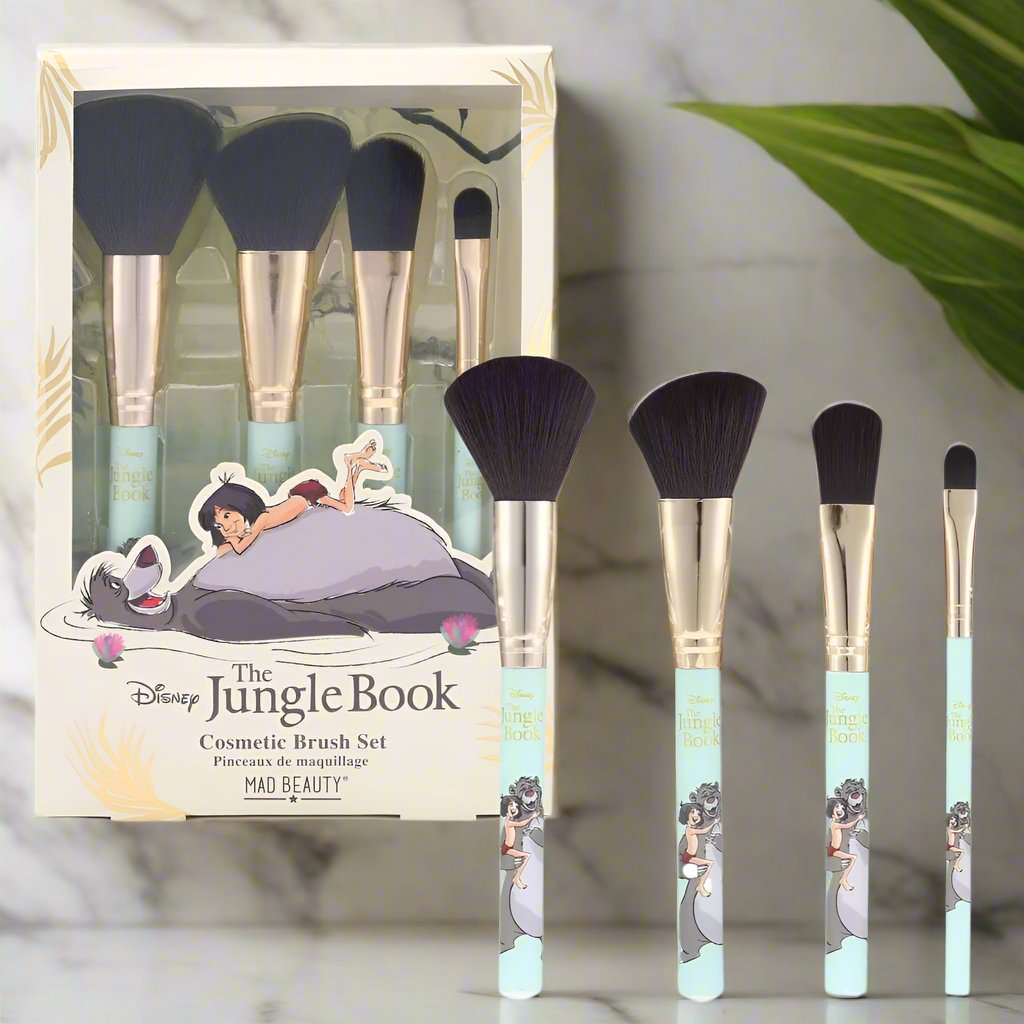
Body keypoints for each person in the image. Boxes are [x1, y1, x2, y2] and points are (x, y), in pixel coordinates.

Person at [199, 441, 386, 556]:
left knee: (346, 507)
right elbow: (223, 550)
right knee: (342, 497)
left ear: (240, 504)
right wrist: (227, 540)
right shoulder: (254, 521)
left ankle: (350, 464)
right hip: (298, 496)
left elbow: (241, 548)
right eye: (219, 525)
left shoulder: (261, 519)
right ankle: (358, 466)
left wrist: (232, 539)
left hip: (306, 496)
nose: (227, 526)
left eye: (227, 515)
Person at [499, 796, 537, 890]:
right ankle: (516, 878)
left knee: (524, 858)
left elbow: (515, 813)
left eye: (515, 805)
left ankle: (518, 878)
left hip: (508, 847)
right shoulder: (508, 821)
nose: (514, 807)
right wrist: (532, 817)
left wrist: (514, 808)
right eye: (511, 805)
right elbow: (521, 824)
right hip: (507, 848)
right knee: (527, 856)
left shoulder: (510, 818)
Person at [679, 803, 717, 898]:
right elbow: (704, 831)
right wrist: (714, 823)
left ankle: (701, 885)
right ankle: (700, 886)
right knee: (710, 863)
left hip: (690, 856)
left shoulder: (692, 828)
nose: (696, 815)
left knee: (709, 864)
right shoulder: (689, 829)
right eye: (693, 812)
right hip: (688, 857)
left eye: (698, 813)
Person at [826, 797, 863, 892]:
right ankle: (843, 879)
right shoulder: (834, 824)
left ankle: (844, 879)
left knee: (853, 858)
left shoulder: (836, 822)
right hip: (834, 850)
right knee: (853, 858)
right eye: (837, 807)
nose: (840, 809)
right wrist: (858, 819)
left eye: (841, 807)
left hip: (835, 850)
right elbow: (847, 825)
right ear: (832, 814)